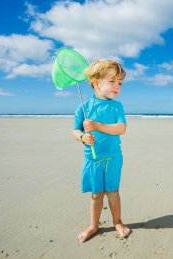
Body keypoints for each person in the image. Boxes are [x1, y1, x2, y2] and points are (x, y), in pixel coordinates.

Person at [72, 59, 131, 243]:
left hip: (113, 157)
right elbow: (75, 130)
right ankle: (93, 226)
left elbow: (121, 128)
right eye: (112, 81)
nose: (117, 86)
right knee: (96, 194)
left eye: (120, 83)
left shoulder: (117, 106)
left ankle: (118, 222)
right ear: (96, 83)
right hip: (92, 159)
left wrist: (97, 125)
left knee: (113, 191)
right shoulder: (84, 108)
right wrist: (82, 137)